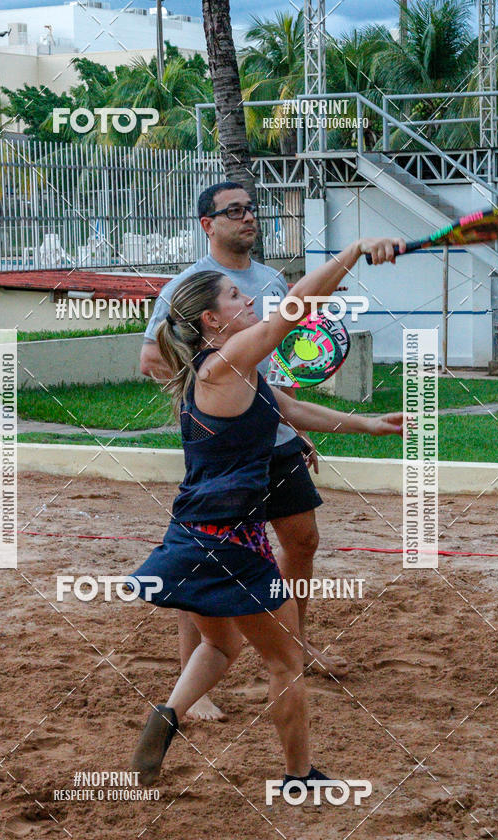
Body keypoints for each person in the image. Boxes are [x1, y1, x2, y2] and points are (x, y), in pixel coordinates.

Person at [129, 234, 405, 787]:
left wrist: (369, 425)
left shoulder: (227, 375)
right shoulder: (223, 366)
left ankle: (166, 716)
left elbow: (293, 407)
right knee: (284, 662)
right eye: (236, 296)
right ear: (211, 319)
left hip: (191, 536)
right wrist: (351, 252)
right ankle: (298, 776)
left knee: (219, 643)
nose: (250, 301)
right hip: (234, 545)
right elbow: (295, 307)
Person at [141, 182, 347, 723]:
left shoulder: (269, 281)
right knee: (205, 564)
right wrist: (213, 403)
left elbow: (270, 368)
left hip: (273, 439)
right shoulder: (192, 288)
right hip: (228, 449)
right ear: (207, 224)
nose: (248, 218)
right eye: (234, 211)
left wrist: (272, 418)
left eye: (252, 208)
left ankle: (289, 650)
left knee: (301, 540)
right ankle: (199, 683)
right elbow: (153, 361)